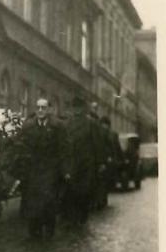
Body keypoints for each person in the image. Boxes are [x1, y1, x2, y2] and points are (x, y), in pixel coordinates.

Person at [19, 98, 70, 240]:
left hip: (50, 170)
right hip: (33, 170)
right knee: (32, 200)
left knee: (48, 200)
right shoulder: (28, 126)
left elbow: (64, 149)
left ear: (48, 110)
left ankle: (49, 228)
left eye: (43, 107)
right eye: (38, 107)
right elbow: (21, 147)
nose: (40, 110)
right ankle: (34, 231)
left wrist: (65, 170)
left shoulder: (57, 126)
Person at [63, 96, 107, 226]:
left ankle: (81, 216)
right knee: (71, 191)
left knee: (84, 192)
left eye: (79, 108)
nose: (76, 111)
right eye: (74, 108)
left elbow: (97, 144)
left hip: (86, 163)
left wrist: (100, 162)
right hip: (71, 163)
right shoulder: (67, 124)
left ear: (83, 109)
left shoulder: (90, 124)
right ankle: (72, 217)